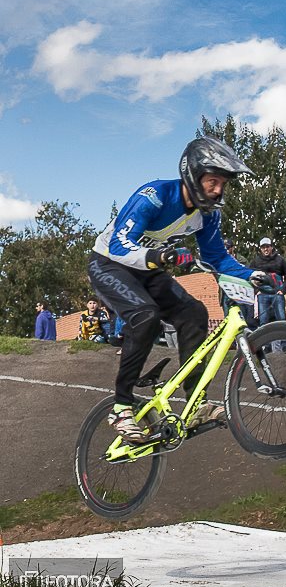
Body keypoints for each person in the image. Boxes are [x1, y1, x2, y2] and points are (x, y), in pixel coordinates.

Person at [87, 136, 270, 443]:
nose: (218, 190)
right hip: (108, 263)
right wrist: (159, 256)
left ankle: (196, 403)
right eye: (212, 182)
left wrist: (254, 274)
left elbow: (216, 258)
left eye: (223, 184)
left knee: (194, 313)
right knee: (145, 315)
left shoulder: (208, 214)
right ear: (192, 175)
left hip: (148, 269)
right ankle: (121, 407)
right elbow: (119, 244)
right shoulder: (155, 196)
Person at [250, 237, 286, 352]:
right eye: (263, 247)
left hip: (276, 293)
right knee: (263, 320)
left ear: (271, 247)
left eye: (267, 247)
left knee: (281, 319)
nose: (266, 249)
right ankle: (266, 346)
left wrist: (283, 290)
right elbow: (249, 276)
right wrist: (256, 291)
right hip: (262, 294)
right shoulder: (256, 261)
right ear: (260, 249)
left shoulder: (280, 260)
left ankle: (284, 345)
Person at [219, 238, 254, 326]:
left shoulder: (242, 260)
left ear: (233, 248)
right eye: (224, 248)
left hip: (238, 292)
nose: (226, 250)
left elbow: (248, 274)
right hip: (226, 293)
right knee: (228, 319)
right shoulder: (221, 262)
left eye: (228, 248)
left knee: (242, 318)